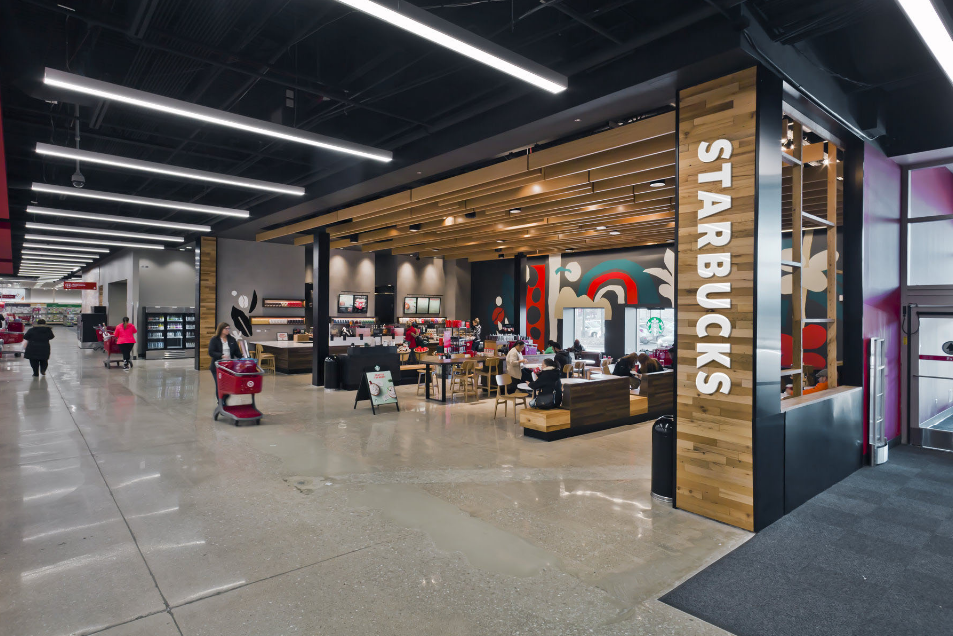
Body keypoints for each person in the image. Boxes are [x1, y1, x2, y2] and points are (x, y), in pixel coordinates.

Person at [208, 323, 242, 399]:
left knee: (228, 385)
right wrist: (221, 355)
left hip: (229, 366)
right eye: (226, 328)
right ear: (221, 329)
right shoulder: (214, 339)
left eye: (229, 328)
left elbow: (237, 351)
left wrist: (243, 357)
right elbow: (211, 352)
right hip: (217, 367)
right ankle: (220, 401)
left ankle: (225, 399)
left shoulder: (231, 339)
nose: (228, 330)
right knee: (220, 384)